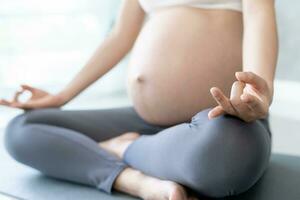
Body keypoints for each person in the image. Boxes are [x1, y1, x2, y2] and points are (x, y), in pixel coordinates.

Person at [0, 0, 277, 199]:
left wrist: (256, 95)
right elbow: (120, 35)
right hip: (146, 119)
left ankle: (127, 148)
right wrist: (62, 96)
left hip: (222, 123)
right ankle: (132, 180)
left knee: (223, 159)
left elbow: (258, 15)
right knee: (22, 130)